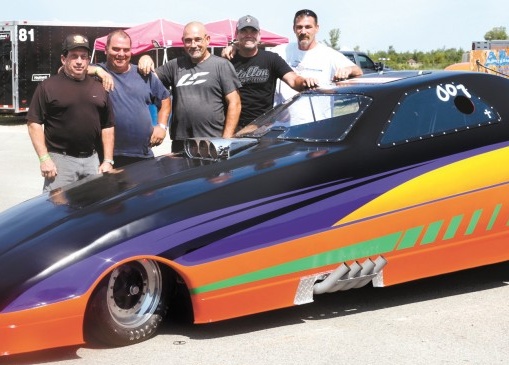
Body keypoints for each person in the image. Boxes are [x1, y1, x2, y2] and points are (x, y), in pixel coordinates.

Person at [27, 34, 115, 192]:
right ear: (63, 59)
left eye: (83, 57)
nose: (79, 61)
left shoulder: (99, 87)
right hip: (61, 163)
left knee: (91, 210)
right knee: (56, 210)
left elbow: (107, 126)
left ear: (89, 60)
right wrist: (44, 158)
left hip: (92, 161)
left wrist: (108, 160)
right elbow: (34, 123)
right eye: (74, 56)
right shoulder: (48, 87)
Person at [138, 21, 242, 153]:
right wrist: (145, 58)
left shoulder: (221, 65)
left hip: (212, 142)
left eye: (198, 39)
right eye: (188, 41)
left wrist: (226, 141)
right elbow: (150, 79)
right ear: (183, 42)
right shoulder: (174, 66)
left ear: (207, 40)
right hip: (181, 143)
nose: (193, 45)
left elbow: (235, 103)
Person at [89, 30, 171, 167]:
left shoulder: (143, 74)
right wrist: (98, 71)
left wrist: (162, 126)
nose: (121, 54)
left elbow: (165, 99)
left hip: (142, 155)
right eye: (116, 49)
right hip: (106, 157)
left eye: (126, 50)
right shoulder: (96, 73)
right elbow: (66, 70)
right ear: (105, 50)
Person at [221, 15, 319, 129]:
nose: (249, 35)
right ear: (237, 34)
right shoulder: (226, 61)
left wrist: (304, 82)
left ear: (259, 35)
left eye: (253, 31)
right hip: (232, 126)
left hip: (262, 127)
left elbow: (293, 79)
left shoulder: (271, 59)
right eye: (244, 31)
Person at [272, 9, 363, 105]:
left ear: (317, 28)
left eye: (308, 27)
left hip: (319, 119)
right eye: (299, 27)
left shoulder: (329, 54)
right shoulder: (279, 51)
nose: (303, 31)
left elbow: (358, 71)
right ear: (294, 28)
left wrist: (348, 69)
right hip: (281, 119)